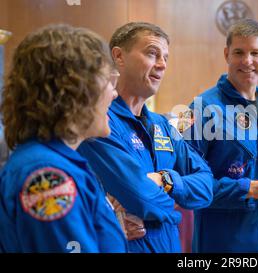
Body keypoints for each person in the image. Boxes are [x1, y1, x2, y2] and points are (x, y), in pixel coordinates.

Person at [77, 22, 214, 253]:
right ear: (119, 56)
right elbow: (143, 199)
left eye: (165, 58)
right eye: (152, 53)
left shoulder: (163, 125)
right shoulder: (98, 122)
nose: (161, 65)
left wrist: (165, 179)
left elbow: (207, 186)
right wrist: (173, 209)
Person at [0, 24, 127, 252]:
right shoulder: (47, 177)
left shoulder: (60, 162)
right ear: (72, 90)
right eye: (107, 80)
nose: (114, 92)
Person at [184, 18, 258, 253]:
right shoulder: (199, 108)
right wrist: (250, 188)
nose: (247, 61)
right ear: (226, 54)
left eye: (255, 53)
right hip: (224, 241)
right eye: (239, 52)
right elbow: (190, 184)